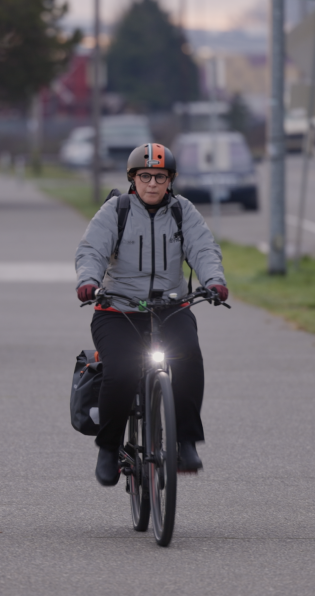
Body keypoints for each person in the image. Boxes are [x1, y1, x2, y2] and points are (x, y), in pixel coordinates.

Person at [74, 143, 229, 486]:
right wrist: (88, 280)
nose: (153, 184)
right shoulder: (117, 210)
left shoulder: (182, 211)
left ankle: (185, 441)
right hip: (117, 309)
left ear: (171, 180)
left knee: (188, 357)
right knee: (121, 370)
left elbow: (203, 248)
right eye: (145, 176)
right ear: (132, 178)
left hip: (171, 309)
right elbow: (92, 250)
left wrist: (214, 281)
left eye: (161, 177)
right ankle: (109, 448)